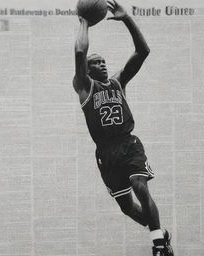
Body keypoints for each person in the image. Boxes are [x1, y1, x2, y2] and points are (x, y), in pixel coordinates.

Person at [73, 1, 174, 255]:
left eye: (105, 61)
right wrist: (84, 21)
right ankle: (160, 231)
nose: (103, 64)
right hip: (106, 152)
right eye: (96, 62)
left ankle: (159, 245)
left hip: (128, 143)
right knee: (127, 207)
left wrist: (126, 18)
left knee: (139, 184)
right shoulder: (85, 87)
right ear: (88, 70)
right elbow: (79, 53)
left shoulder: (119, 82)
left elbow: (143, 51)